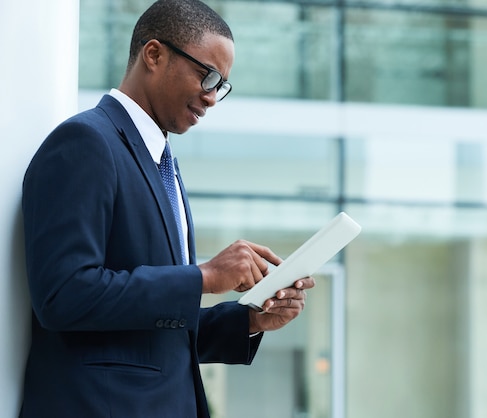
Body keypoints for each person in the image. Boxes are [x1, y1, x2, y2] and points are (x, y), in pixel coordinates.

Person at [19, 1, 314, 417]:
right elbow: (65, 295)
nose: (212, 98)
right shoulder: (85, 143)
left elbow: (153, 333)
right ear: (153, 55)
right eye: (206, 75)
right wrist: (205, 277)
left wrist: (248, 320)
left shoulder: (164, 164)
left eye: (221, 86)